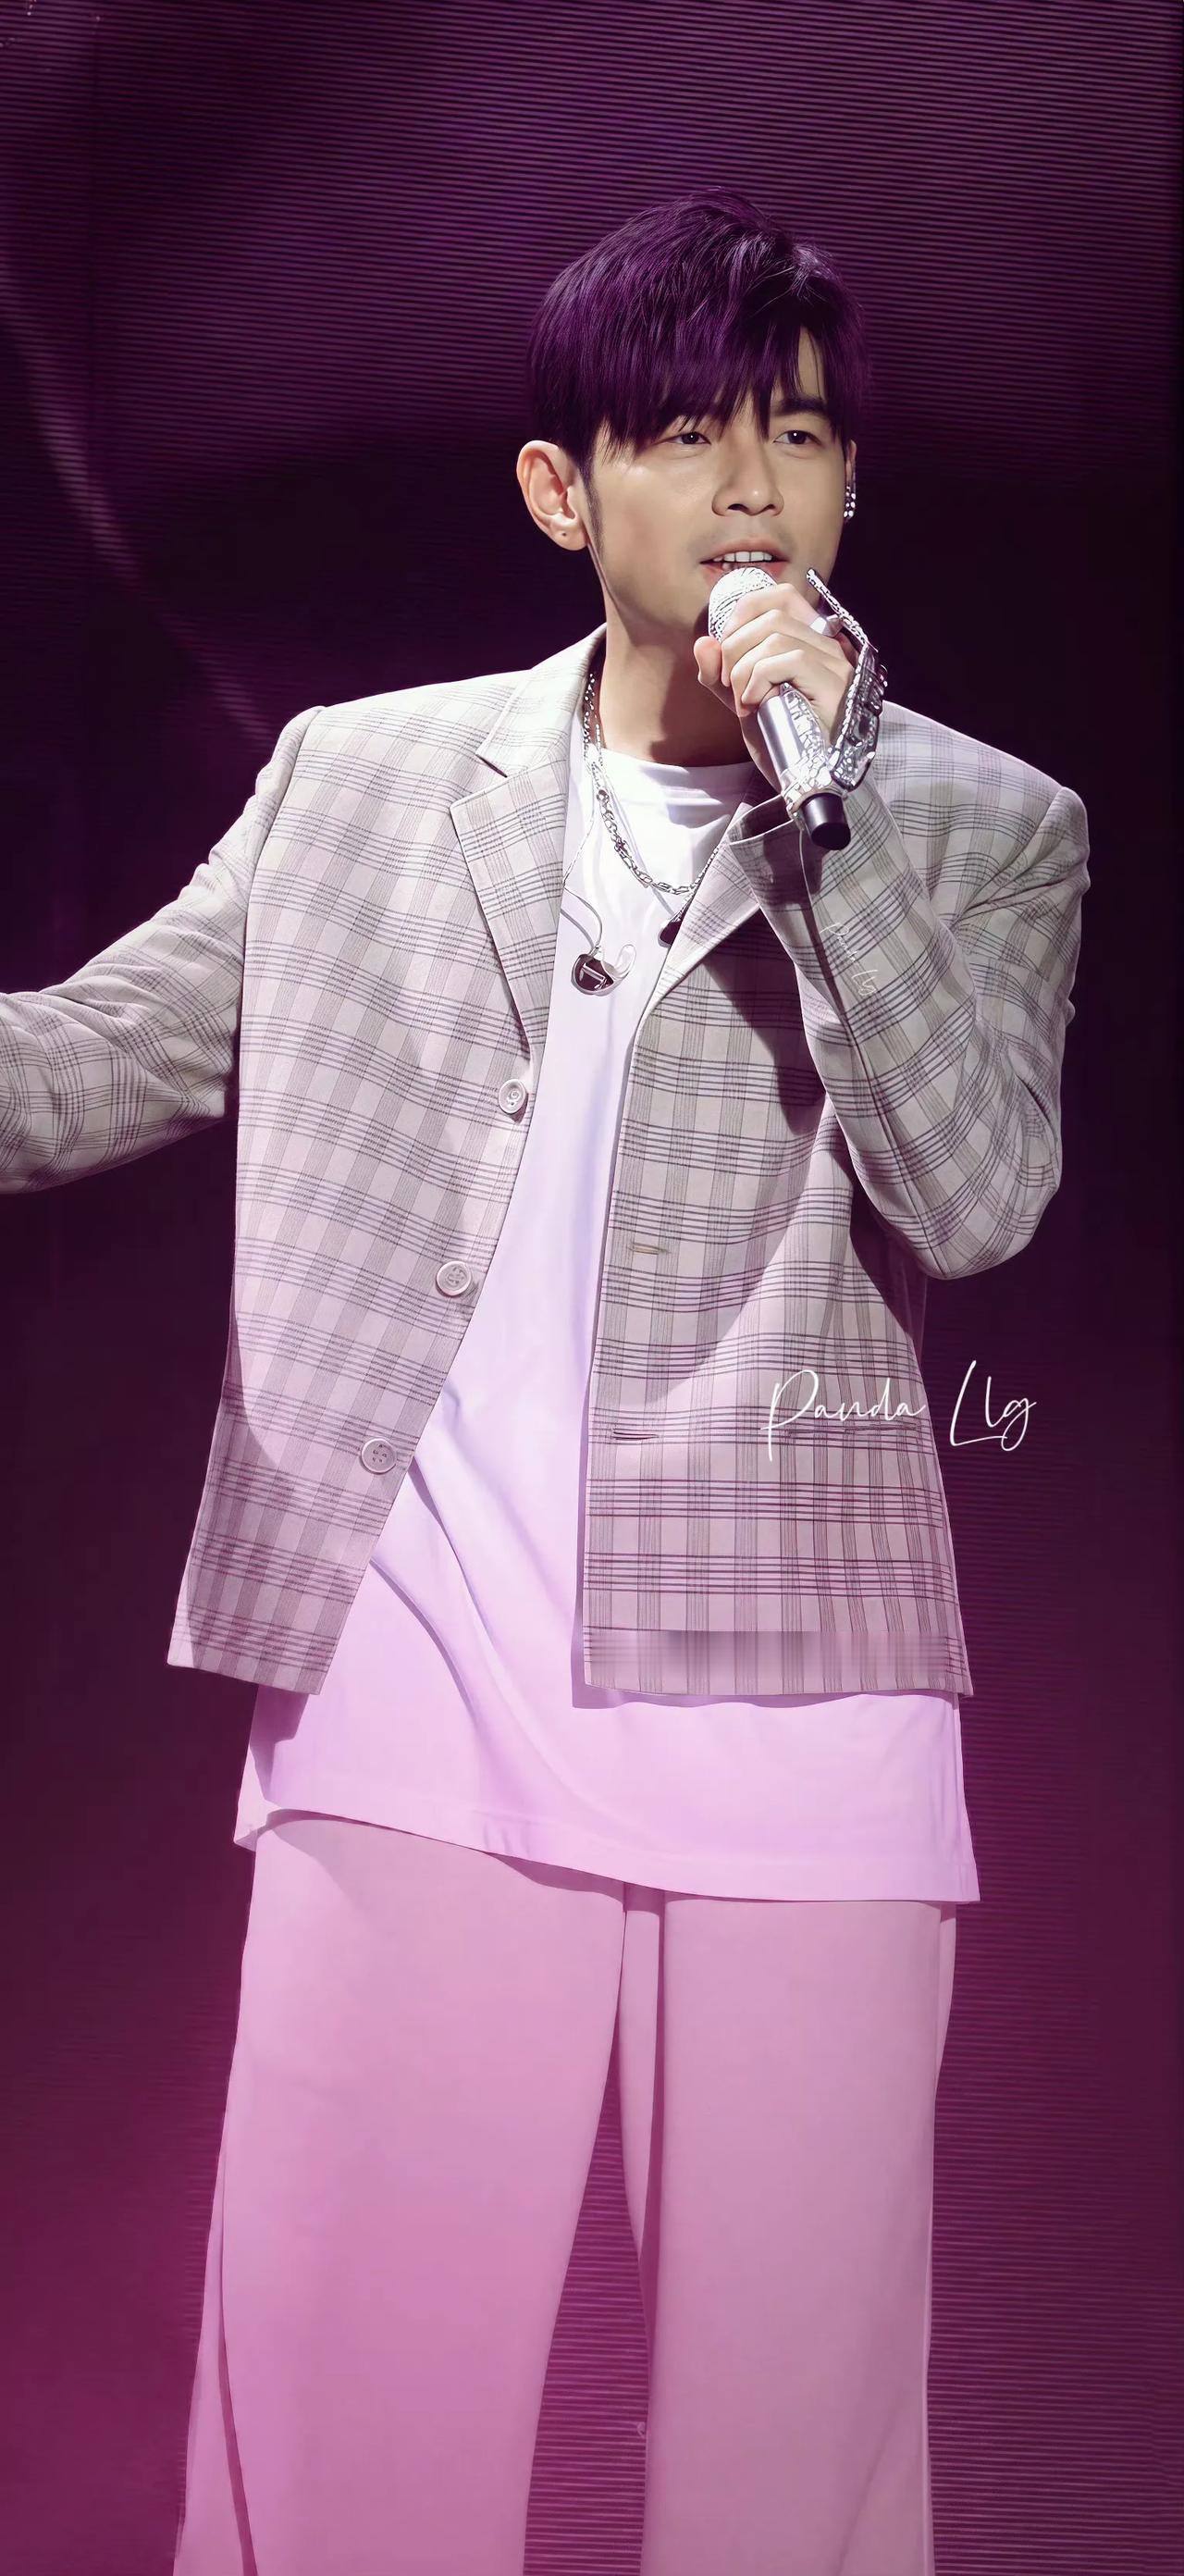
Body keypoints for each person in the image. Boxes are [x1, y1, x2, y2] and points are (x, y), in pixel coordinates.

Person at [0, 191, 1091, 2575]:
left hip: (802, 1719)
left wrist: (826, 807)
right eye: (685, 435)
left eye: (800, 436)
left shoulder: (982, 828)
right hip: (417, 1702)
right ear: (561, 490)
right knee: (346, 2471)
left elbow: (978, 1191)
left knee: (782, 2505)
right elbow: (88, 1063)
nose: (752, 488)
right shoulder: (362, 782)